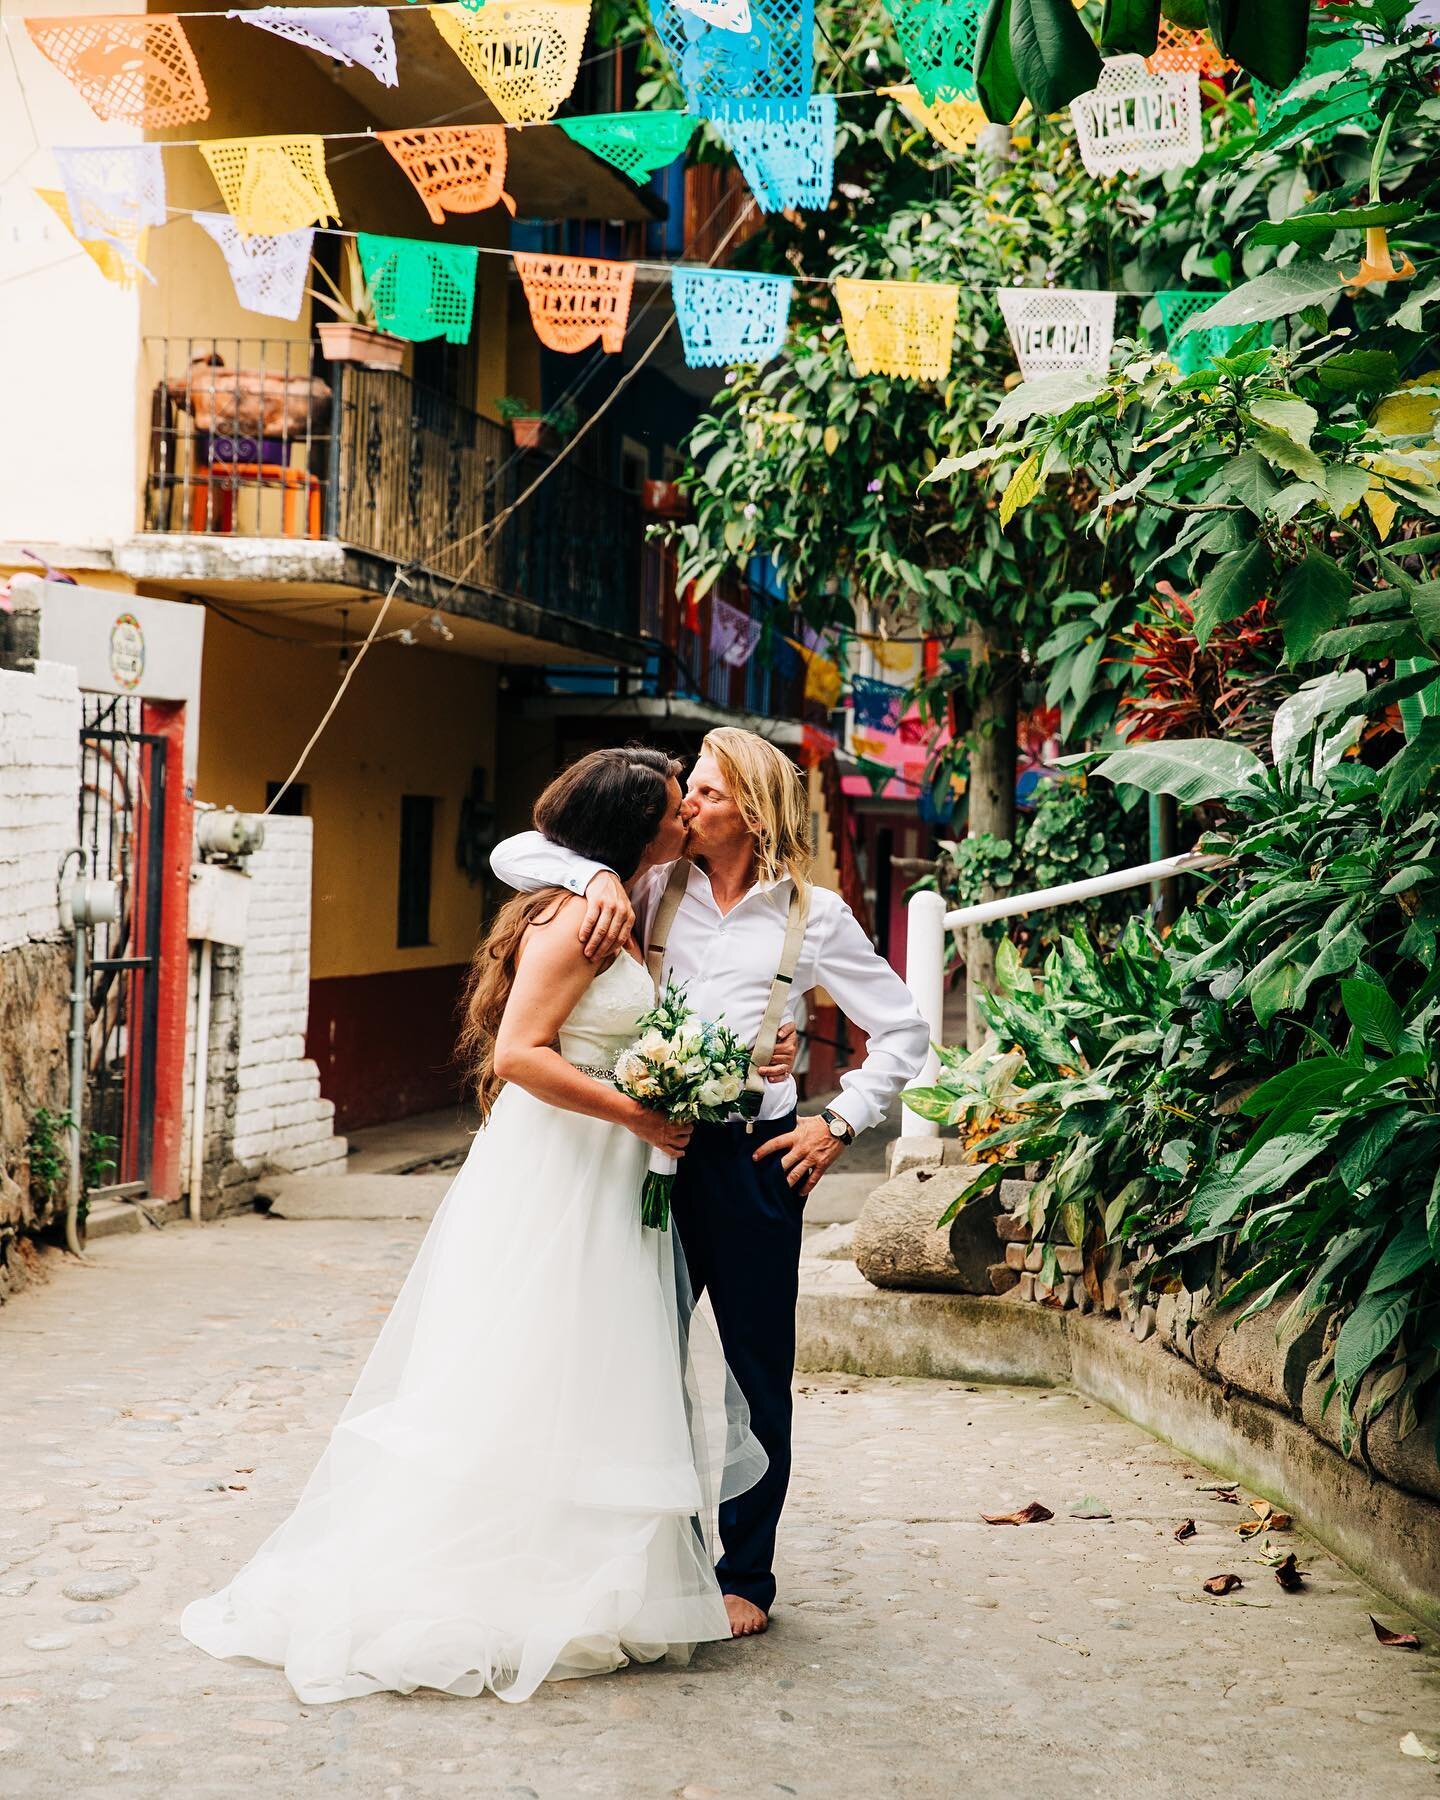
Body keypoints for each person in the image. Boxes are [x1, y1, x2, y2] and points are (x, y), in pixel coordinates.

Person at [181, 747, 768, 1704]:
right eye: (671, 811)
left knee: (590, 1361)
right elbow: (519, 1054)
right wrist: (634, 1111)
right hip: (559, 1166)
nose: (684, 822)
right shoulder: (583, 911)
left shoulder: (614, 902)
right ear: (633, 830)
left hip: (607, 1170)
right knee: (528, 1355)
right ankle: (497, 1579)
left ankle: (585, 1578)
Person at [491, 726, 931, 1637]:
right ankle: (663, 1563)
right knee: (639, 1366)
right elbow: (519, 848)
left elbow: (903, 1031)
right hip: (644, 1159)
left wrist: (838, 1121)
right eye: (686, 790)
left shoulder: (816, 916)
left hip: (755, 1162)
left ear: (754, 812)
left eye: (706, 794)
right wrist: (598, 876)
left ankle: (747, 1575)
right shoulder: (647, 885)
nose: (684, 804)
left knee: (754, 1377)